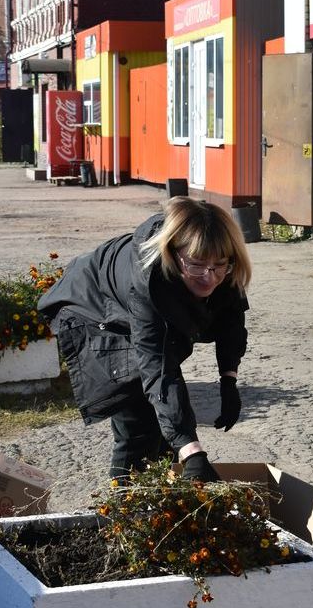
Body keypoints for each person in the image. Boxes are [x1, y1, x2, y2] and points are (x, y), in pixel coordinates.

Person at [38, 197, 251, 483]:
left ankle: (165, 507)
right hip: (94, 313)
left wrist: (229, 379)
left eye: (218, 266)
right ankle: (122, 513)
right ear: (174, 255)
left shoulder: (225, 266)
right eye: (197, 265)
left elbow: (231, 320)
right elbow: (158, 367)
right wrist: (192, 449)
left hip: (139, 310)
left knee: (164, 438)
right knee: (138, 425)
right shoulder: (148, 280)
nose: (209, 277)